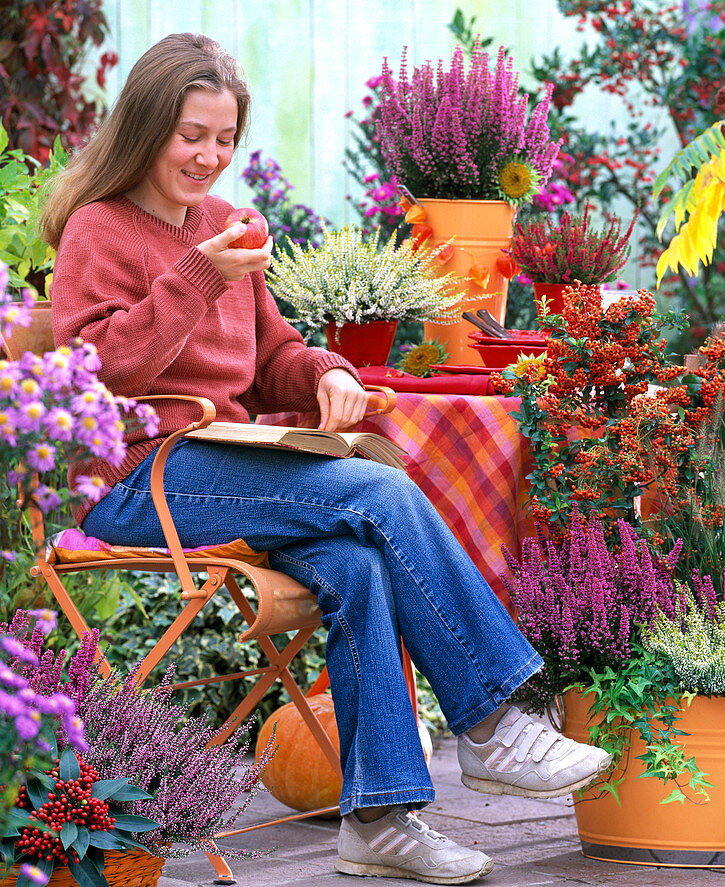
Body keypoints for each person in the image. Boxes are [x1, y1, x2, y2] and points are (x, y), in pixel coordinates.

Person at [40, 32, 611, 885]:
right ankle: (494, 719)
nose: (209, 155)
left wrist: (329, 373)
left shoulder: (222, 226)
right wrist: (198, 275)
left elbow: (275, 357)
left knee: (355, 559)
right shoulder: (100, 231)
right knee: (378, 493)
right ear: (147, 127)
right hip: (138, 476)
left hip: (223, 467)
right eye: (191, 134)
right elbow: (97, 370)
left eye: (224, 138)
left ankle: (380, 819)